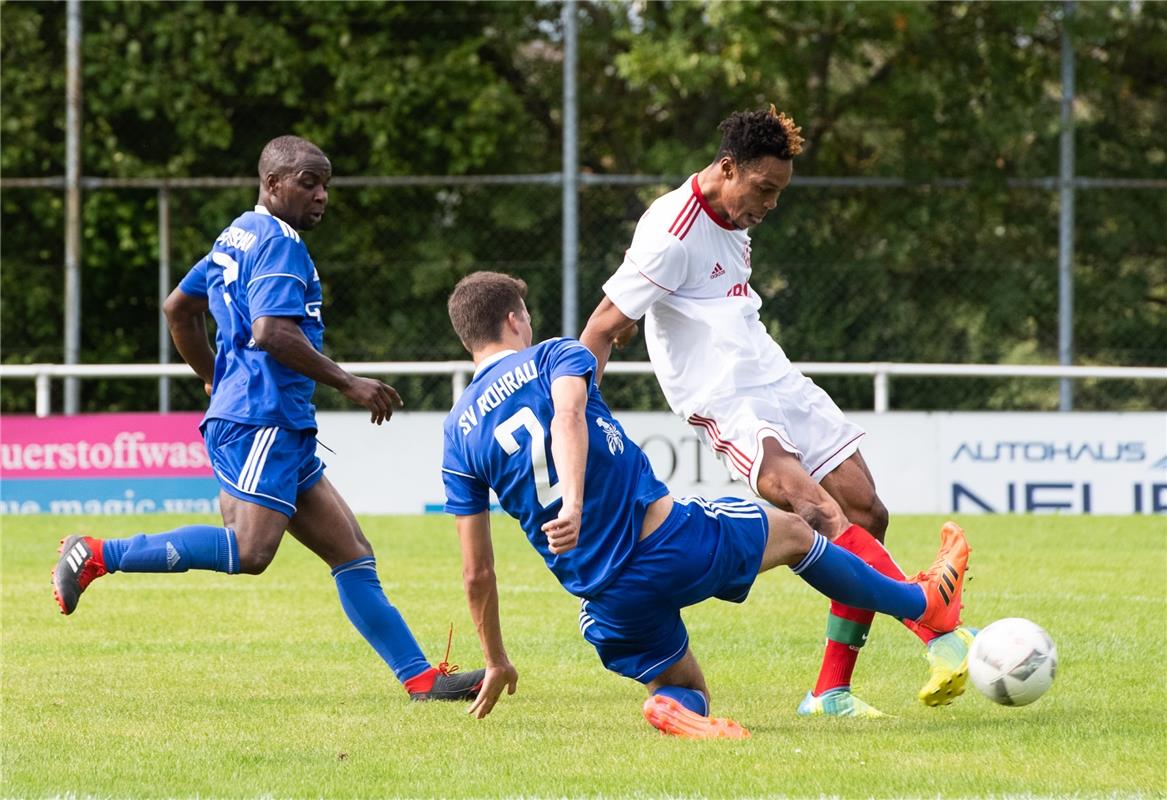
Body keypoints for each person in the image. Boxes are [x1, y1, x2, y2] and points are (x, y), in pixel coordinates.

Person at [441, 271, 969, 738]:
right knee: (794, 531)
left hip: (607, 599)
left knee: (682, 685)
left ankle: (669, 707)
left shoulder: (457, 434)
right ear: (514, 319)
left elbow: (476, 572)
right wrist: (574, 503)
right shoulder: (555, 354)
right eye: (526, 316)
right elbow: (568, 417)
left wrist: (495, 660)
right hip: (668, 543)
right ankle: (923, 605)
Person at [53, 135, 484, 703]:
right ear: (273, 182)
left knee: (352, 553)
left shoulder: (238, 232)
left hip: (272, 418)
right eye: (309, 182)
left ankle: (421, 679)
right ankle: (98, 554)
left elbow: (178, 308)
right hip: (261, 420)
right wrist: (349, 382)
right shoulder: (280, 243)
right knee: (250, 552)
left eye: (326, 183)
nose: (322, 195)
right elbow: (271, 332)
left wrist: (214, 377)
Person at [578, 105, 975, 718]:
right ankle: (939, 633)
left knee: (867, 512)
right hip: (724, 396)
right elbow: (601, 328)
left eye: (779, 193)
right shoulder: (671, 231)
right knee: (815, 508)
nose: (768, 205)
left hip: (771, 372)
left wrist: (646, 318)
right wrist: (580, 425)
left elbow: (676, 306)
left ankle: (829, 692)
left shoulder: (735, 214)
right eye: (763, 189)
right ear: (728, 168)